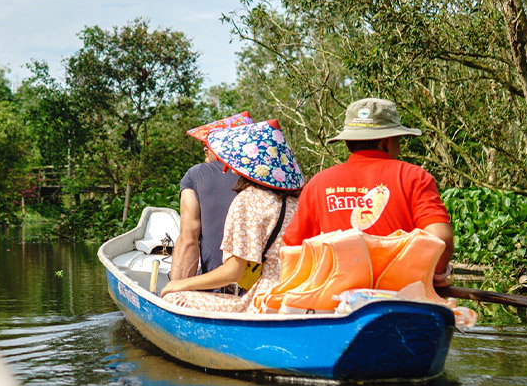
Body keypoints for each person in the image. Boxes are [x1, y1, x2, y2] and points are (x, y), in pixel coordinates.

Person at [282, 98, 455, 286]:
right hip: (400, 296)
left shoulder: (318, 183)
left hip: (334, 298)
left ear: (348, 143)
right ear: (386, 142)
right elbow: (441, 239)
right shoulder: (414, 176)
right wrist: (436, 275)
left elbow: (290, 249)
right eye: (398, 140)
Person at [161, 121, 304, 312]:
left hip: (264, 300)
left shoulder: (247, 199)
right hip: (294, 293)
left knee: (174, 297)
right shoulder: (296, 200)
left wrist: (180, 285)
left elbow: (233, 272)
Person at [170, 112, 253, 281]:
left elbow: (188, 240)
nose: (205, 148)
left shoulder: (196, 174)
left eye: (211, 142)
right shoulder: (268, 178)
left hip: (215, 285)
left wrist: (175, 288)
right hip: (262, 286)